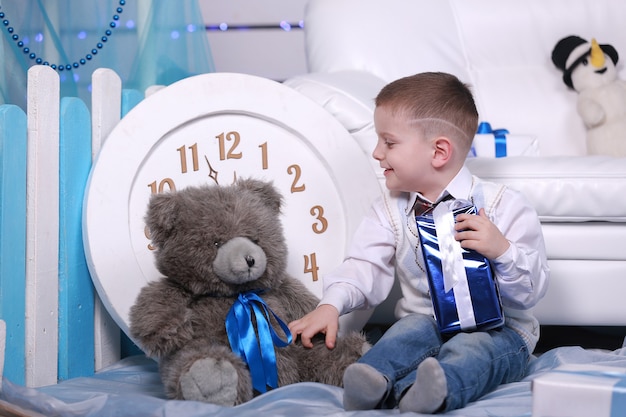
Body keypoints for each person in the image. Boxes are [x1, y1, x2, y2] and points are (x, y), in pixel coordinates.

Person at [288, 72, 549, 413]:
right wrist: (330, 304)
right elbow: (363, 267)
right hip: (426, 322)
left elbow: (530, 291)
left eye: (389, 142)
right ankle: (371, 377)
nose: (377, 152)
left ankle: (435, 389)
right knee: (403, 334)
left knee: (473, 351)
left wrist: (502, 251)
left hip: (501, 330)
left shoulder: (504, 206)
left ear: (439, 151)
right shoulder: (389, 210)